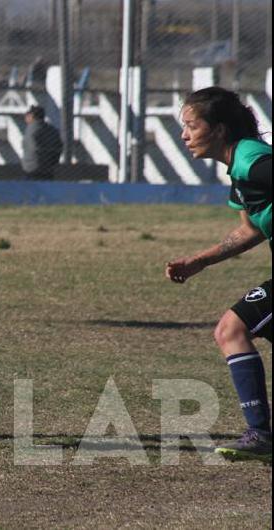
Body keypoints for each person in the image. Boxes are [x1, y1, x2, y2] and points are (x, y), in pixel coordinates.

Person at [166, 86, 271, 463]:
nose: (185, 135)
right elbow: (251, 230)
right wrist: (199, 261)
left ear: (220, 129)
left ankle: (260, 434)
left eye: (192, 125)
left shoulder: (253, 162)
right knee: (233, 330)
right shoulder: (240, 171)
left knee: (231, 330)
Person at [21, 105, 62, 180]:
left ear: (32, 116)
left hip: (31, 169)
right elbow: (59, 147)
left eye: (28, 115)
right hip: (49, 169)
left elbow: (30, 148)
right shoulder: (52, 130)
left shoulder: (31, 129)